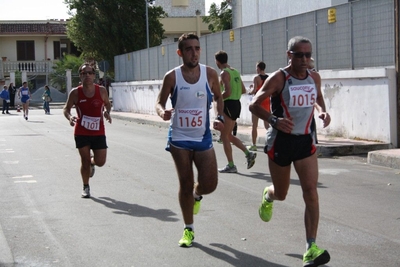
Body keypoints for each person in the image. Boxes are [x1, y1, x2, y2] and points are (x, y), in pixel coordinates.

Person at [249, 36, 331, 267]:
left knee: (311, 192)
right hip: (281, 142)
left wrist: (323, 112)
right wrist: (274, 119)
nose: (305, 60)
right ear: (289, 55)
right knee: (282, 193)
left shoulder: (314, 76)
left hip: (305, 141)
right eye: (299, 55)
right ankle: (269, 195)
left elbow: (319, 98)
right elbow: (254, 103)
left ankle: (310, 247)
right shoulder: (279, 78)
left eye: (308, 55)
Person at [155, 33, 223, 247]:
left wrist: (219, 117)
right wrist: (162, 112)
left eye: (197, 48)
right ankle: (188, 229)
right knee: (184, 183)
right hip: (179, 138)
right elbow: (159, 102)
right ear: (180, 52)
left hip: (202, 138)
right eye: (189, 49)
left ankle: (197, 193)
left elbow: (219, 97)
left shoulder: (210, 74)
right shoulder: (172, 77)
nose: (194, 53)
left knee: (210, 184)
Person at [63, 62, 112, 198]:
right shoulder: (75, 92)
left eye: (90, 73)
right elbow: (66, 109)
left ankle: (93, 162)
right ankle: (86, 186)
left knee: (101, 161)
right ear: (80, 76)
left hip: (98, 132)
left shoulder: (101, 90)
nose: (87, 75)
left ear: (94, 76)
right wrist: (70, 117)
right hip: (81, 131)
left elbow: (107, 104)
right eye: (84, 73)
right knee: (83, 160)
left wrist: (107, 112)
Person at [214, 50, 256, 173]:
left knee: (224, 135)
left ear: (217, 62)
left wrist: (217, 97)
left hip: (228, 104)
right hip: (236, 104)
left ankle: (231, 165)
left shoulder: (224, 73)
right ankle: (248, 153)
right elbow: (243, 89)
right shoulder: (235, 71)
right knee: (228, 135)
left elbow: (227, 92)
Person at [247, 61, 270, 151]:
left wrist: (249, 91)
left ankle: (254, 144)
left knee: (254, 125)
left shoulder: (256, 78)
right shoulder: (268, 77)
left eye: (256, 67)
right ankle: (270, 143)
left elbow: (254, 90)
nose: (256, 69)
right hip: (267, 101)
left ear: (259, 68)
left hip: (258, 102)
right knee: (267, 125)